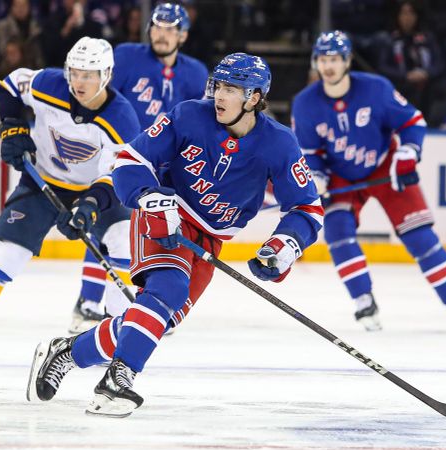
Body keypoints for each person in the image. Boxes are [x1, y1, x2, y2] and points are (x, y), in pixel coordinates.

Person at [25, 53, 324, 417]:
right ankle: (118, 380)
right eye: (218, 85)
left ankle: (67, 352)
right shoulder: (188, 115)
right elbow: (131, 159)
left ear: (255, 98)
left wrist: (284, 246)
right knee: (168, 290)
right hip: (166, 216)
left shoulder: (279, 143)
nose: (219, 95)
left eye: (232, 89)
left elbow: (307, 208)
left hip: (211, 238)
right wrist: (149, 197)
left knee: (151, 319)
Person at [0, 37, 140, 364]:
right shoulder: (47, 83)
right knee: (8, 250)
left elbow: (117, 176)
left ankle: (111, 335)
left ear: (107, 75)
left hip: (99, 191)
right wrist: (13, 126)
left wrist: (88, 206)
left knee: (122, 242)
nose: (79, 81)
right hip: (44, 180)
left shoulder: (122, 118)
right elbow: (10, 86)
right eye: (75, 72)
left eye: (89, 75)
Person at [292, 31, 446, 332]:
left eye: (335, 59)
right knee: (338, 234)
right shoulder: (305, 103)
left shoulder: (375, 89)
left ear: (347, 60)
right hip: (341, 175)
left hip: (385, 167)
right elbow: (310, 153)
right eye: (323, 59)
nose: (329, 66)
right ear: (316, 62)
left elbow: (412, 121)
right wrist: (317, 177)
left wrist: (407, 153)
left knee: (420, 237)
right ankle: (364, 302)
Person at [70, 2, 209, 332]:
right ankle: (88, 303)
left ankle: (153, 303)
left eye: (171, 28)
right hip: (126, 157)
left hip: (169, 166)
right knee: (108, 224)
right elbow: (101, 98)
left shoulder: (196, 72)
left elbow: (202, 122)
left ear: (183, 34)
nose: (162, 34)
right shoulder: (128, 56)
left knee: (159, 232)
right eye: (158, 26)